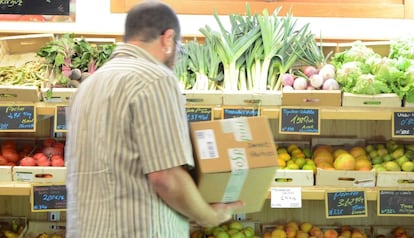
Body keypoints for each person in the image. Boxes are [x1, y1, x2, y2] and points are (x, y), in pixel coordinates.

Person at [65, 1, 244, 237]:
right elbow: (165, 177)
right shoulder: (155, 79)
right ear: (168, 39)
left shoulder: (87, 87)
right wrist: (209, 216)